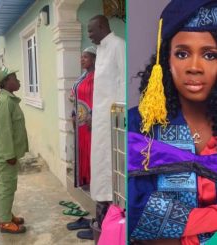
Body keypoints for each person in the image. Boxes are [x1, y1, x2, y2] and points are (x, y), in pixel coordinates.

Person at [128, 0, 217, 244]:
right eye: (182, 53)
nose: (194, 67)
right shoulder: (139, 124)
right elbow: (136, 209)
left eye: (210, 55)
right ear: (165, 60)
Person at [87, 14, 125, 228]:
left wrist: (118, 117)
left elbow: (122, 83)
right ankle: (101, 215)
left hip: (114, 120)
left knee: (111, 163)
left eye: (91, 31)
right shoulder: (101, 49)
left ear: (102, 26)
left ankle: (112, 218)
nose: (89, 35)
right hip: (100, 119)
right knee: (100, 161)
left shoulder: (119, 45)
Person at [0, 66, 29, 234]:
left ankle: (7, 214)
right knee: (6, 186)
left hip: (7, 153)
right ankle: (5, 222)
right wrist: (9, 155)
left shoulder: (9, 100)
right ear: (6, 83)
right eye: (14, 78)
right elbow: (5, 131)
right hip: (6, 154)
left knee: (9, 185)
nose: (18, 80)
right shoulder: (5, 102)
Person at [70, 46, 96, 188]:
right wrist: (73, 115)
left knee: (91, 150)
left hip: (91, 122)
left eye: (85, 57)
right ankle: (84, 179)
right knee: (82, 150)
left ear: (93, 59)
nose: (82, 60)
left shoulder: (98, 77)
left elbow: (99, 98)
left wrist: (93, 115)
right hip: (80, 123)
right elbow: (74, 97)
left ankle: (93, 180)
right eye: (81, 57)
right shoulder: (82, 77)